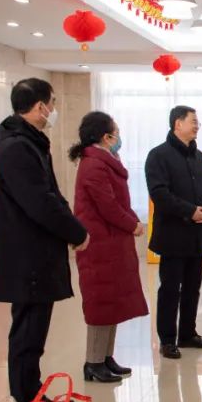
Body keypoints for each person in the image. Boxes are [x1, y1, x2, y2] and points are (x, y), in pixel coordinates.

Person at [0, 78, 88, 402]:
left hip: (35, 253)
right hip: (27, 255)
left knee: (34, 331)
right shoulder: (16, 148)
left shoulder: (29, 143)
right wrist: (76, 233)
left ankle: (30, 394)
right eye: (53, 103)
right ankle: (25, 398)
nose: (54, 109)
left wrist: (71, 228)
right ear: (40, 106)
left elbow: (51, 195)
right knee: (28, 331)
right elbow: (40, 202)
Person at [70, 111, 149, 383]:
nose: (119, 136)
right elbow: (108, 206)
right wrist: (132, 224)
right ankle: (93, 362)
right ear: (106, 137)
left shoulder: (106, 161)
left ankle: (105, 357)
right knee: (101, 302)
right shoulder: (94, 165)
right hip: (99, 244)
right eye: (116, 131)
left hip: (112, 243)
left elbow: (117, 203)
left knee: (112, 302)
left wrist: (131, 221)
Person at [146, 106, 202, 359]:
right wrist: (191, 212)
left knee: (192, 288)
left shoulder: (199, 157)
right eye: (193, 121)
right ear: (178, 124)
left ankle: (187, 334)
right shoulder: (158, 155)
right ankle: (167, 340)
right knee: (170, 289)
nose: (197, 126)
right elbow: (159, 194)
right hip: (173, 236)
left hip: (198, 236)